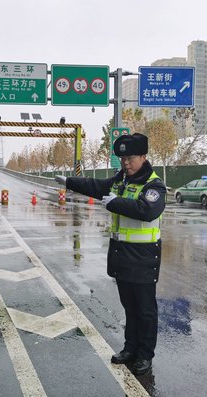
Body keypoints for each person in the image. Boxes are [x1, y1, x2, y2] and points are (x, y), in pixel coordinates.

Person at [55, 133, 166, 376]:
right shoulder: (121, 181)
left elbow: (147, 211)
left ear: (144, 157)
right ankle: (130, 349)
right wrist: (69, 182)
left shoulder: (153, 185)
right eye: (123, 158)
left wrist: (115, 203)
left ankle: (145, 356)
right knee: (129, 306)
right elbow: (97, 187)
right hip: (123, 256)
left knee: (145, 310)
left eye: (131, 158)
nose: (126, 162)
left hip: (144, 258)